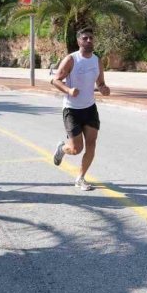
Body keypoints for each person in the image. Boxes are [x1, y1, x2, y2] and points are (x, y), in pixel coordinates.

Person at [51, 28, 110, 190]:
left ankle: (80, 178)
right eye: (85, 38)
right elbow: (55, 80)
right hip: (72, 110)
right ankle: (62, 148)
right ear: (79, 41)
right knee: (76, 149)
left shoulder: (97, 60)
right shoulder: (71, 59)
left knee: (91, 144)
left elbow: (100, 83)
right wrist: (69, 90)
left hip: (90, 108)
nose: (89, 41)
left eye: (91, 38)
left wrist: (104, 88)